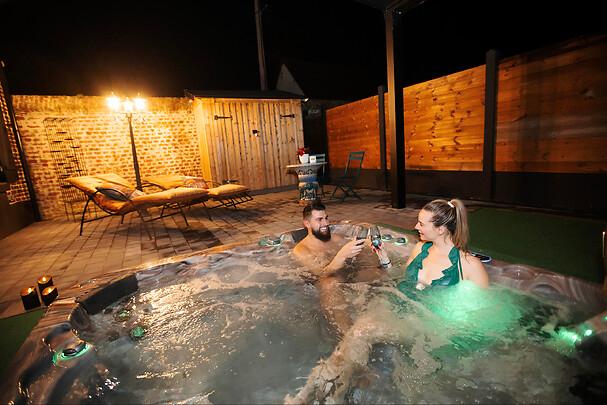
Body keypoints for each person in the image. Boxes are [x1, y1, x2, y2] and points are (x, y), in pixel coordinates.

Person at [286, 199, 489, 404]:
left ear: (441, 229)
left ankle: (322, 395)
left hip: (424, 319)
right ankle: (315, 391)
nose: (415, 226)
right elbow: (402, 279)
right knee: (356, 333)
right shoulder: (421, 249)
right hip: (397, 303)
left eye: (421, 223)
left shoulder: (470, 265)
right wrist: (384, 258)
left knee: (362, 331)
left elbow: (481, 315)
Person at [293, 202, 388, 335]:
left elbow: (361, 256)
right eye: (319, 220)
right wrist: (341, 256)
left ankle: (381, 316)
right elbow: (321, 273)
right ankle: (346, 334)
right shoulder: (301, 250)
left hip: (347, 276)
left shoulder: (336, 239)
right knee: (329, 283)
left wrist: (368, 246)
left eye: (326, 218)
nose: (326, 223)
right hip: (321, 286)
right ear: (307, 223)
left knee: (377, 272)